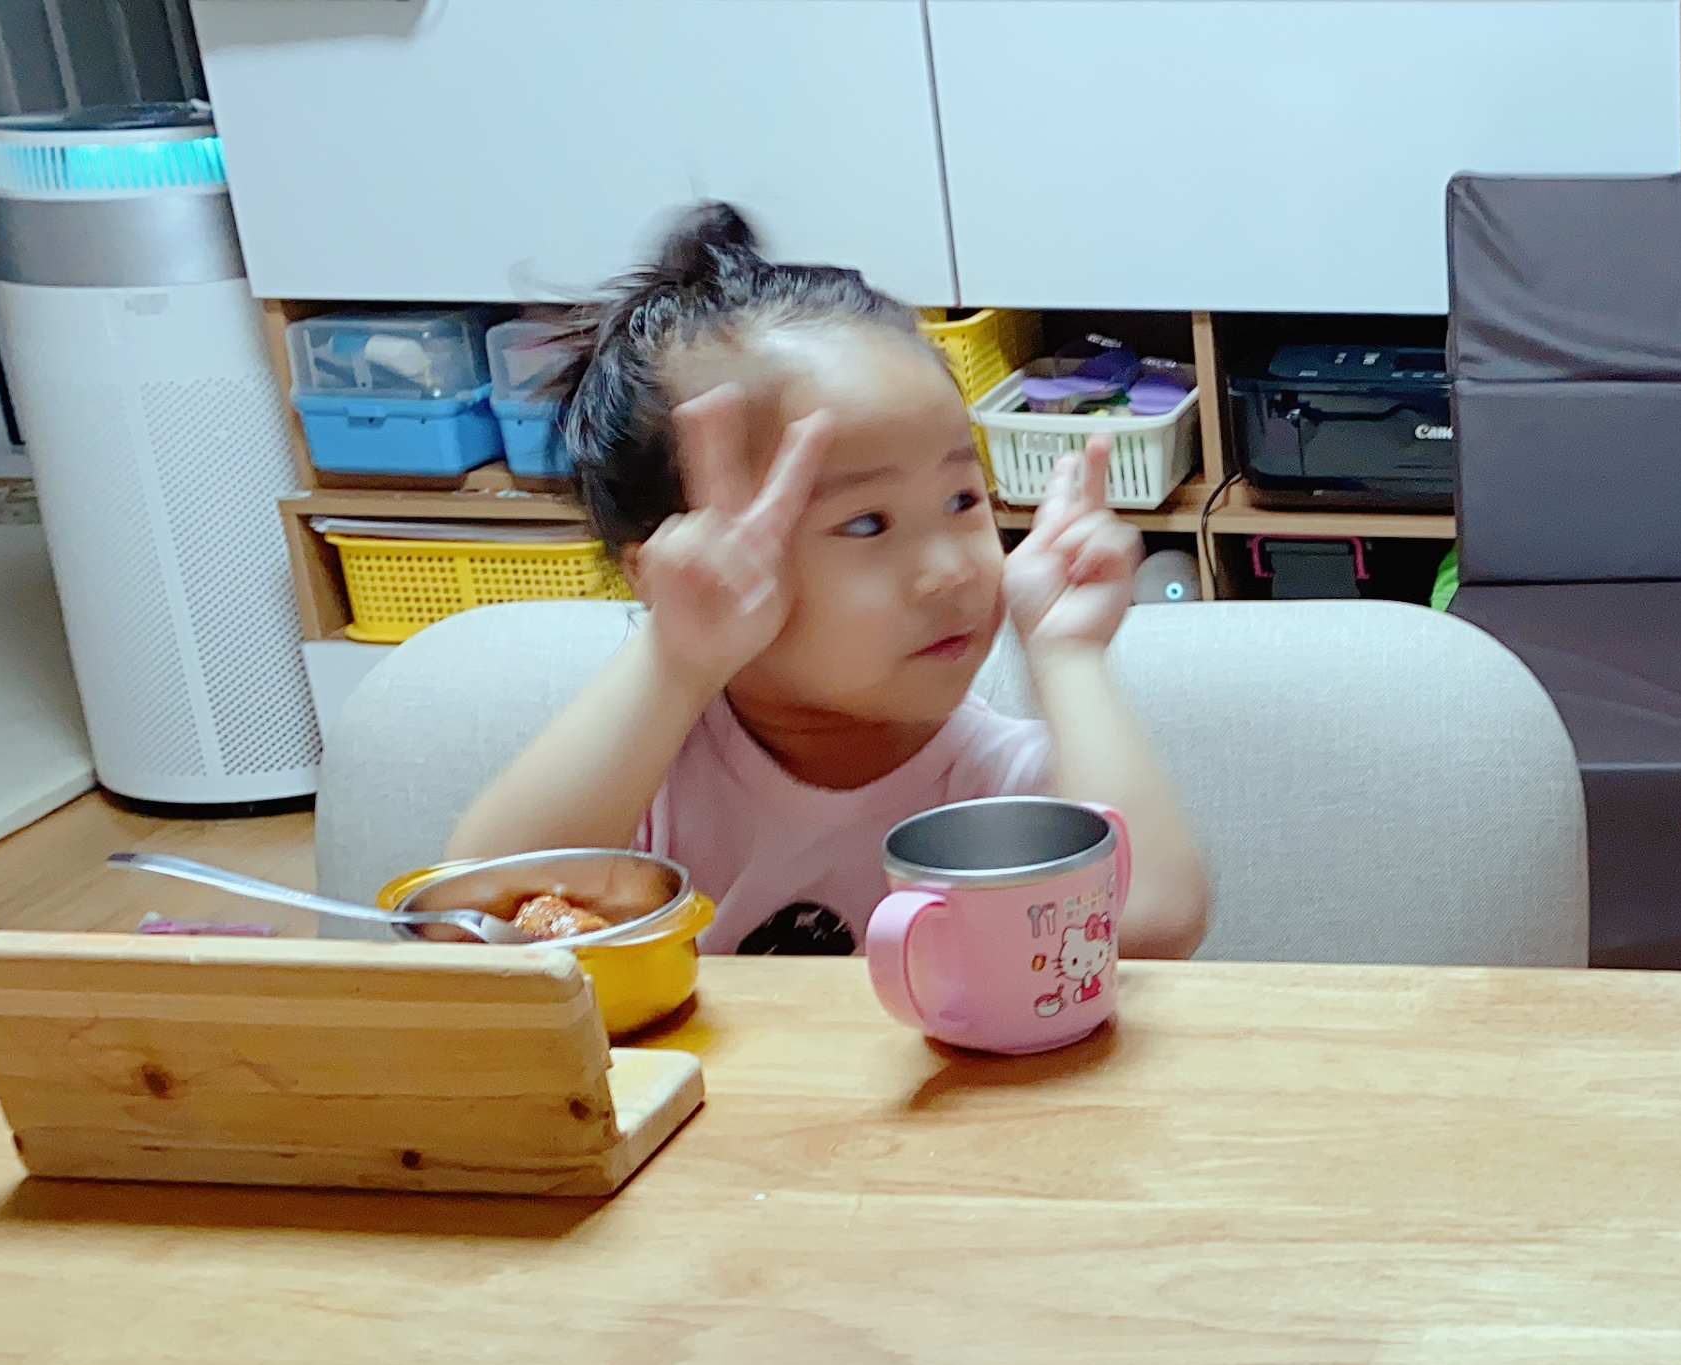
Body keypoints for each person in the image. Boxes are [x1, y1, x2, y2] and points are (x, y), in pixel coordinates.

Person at [449, 204, 1209, 960]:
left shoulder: (996, 783)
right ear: (672, 564)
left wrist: (1068, 657)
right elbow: (469, 923)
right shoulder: (648, 775)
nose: (950, 570)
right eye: (867, 523)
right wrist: (671, 664)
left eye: (962, 500)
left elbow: (1150, 924)